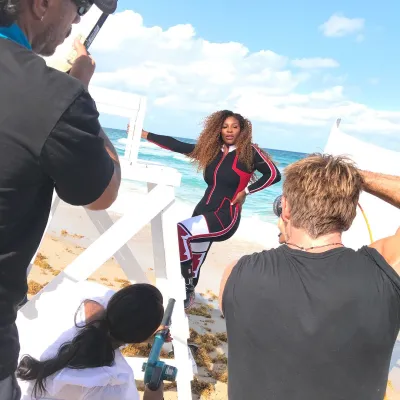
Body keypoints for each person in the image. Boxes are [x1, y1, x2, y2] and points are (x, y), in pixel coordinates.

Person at [0, 0, 120, 398]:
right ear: (41, 4)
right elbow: (102, 193)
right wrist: (78, 92)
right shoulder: (53, 95)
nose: (80, 18)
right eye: (80, 5)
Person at [219, 154, 400, 400]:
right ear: (350, 217)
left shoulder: (236, 274)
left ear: (285, 208)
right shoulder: (385, 274)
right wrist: (355, 178)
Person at [142, 110, 281, 309]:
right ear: (218, 129)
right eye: (225, 126)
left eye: (234, 126)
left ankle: (186, 285)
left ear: (242, 130)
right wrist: (146, 134)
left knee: (181, 230)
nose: (229, 130)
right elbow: (179, 146)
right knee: (194, 258)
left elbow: (273, 174)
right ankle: (186, 297)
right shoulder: (212, 151)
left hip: (225, 216)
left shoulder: (249, 152)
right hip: (203, 211)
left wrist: (246, 191)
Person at [16, 281, 165, 400]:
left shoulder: (73, 294)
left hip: (10, 375)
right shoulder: (113, 381)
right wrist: (153, 395)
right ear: (140, 338)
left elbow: (108, 315)